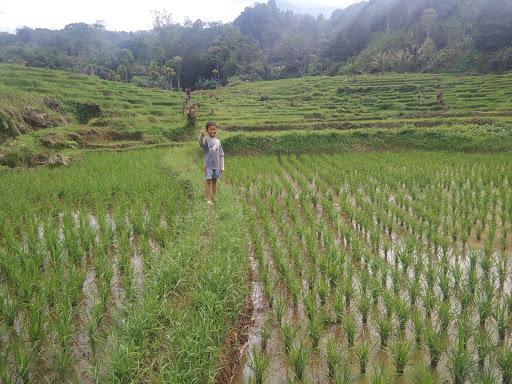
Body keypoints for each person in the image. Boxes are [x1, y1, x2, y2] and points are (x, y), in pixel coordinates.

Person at [199, 121, 224, 204]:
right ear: (207, 130)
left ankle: (213, 197)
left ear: (216, 130)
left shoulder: (218, 141)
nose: (213, 131)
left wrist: (222, 166)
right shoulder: (206, 140)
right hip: (208, 165)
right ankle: (208, 199)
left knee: (214, 182)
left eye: (214, 129)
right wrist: (201, 136)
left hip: (216, 165)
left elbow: (221, 154)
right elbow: (201, 144)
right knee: (208, 181)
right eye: (210, 129)